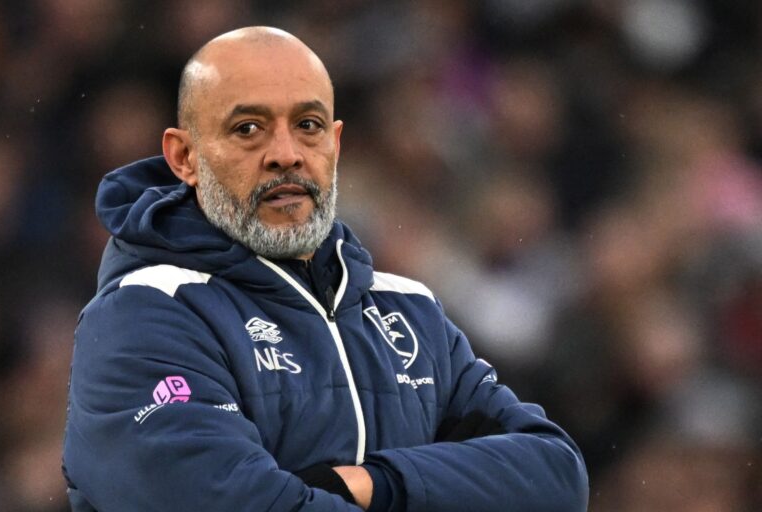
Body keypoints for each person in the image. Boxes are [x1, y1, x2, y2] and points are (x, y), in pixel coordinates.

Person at [62, 26, 589, 511]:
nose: (286, 154)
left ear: (335, 144)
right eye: (249, 128)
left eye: (308, 125)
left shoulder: (408, 309)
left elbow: (556, 477)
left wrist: (372, 484)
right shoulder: (143, 314)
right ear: (185, 158)